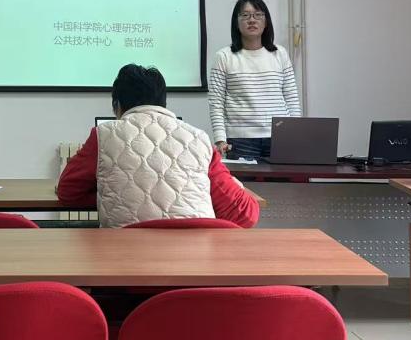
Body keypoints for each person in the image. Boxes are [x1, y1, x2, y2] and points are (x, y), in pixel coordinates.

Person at [57, 64, 259, 228]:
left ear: (117, 106)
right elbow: (243, 214)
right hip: (196, 259)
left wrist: (114, 194)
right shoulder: (199, 138)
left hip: (124, 259)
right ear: (163, 103)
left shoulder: (104, 134)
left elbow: (68, 192)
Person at [208, 0, 301, 161]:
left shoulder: (280, 54)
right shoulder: (224, 56)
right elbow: (216, 103)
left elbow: (291, 97)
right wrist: (220, 139)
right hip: (241, 139)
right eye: (245, 15)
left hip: (280, 136)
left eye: (258, 15)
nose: (252, 20)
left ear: (266, 22)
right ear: (236, 22)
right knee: (244, 180)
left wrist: (295, 133)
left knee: (283, 179)